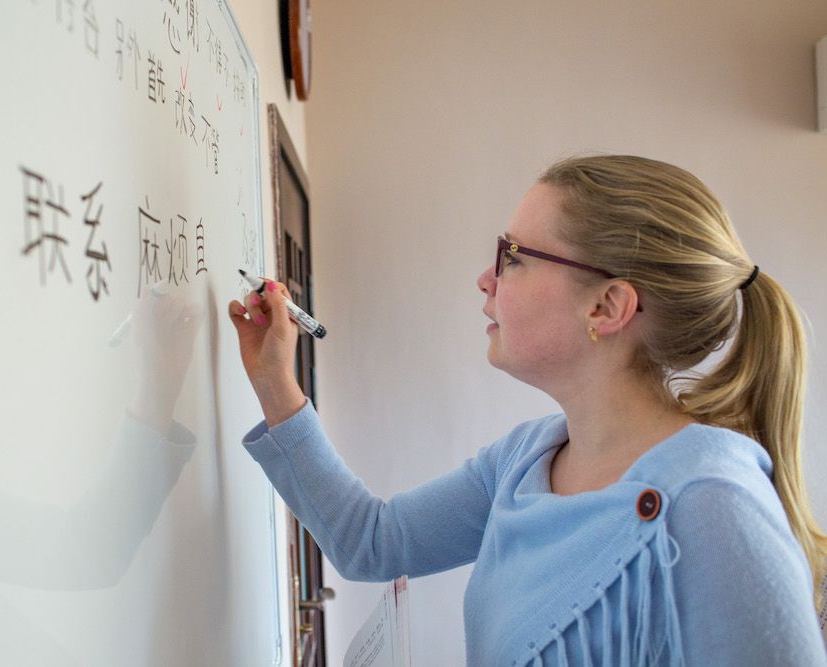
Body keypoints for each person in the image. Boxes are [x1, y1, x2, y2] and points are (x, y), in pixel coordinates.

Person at [227, 155, 827, 665]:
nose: (486, 278)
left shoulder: (713, 508)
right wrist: (276, 382)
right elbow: (372, 542)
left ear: (607, 307)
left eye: (513, 255)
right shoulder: (526, 458)